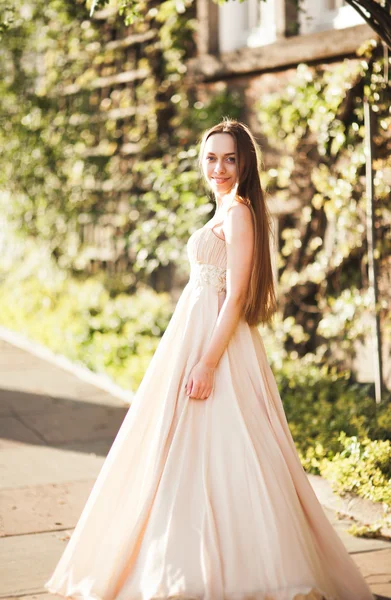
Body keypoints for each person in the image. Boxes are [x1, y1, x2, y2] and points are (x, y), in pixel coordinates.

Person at [44, 119, 374, 600]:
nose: (218, 167)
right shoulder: (223, 209)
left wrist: (207, 362)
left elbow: (237, 296)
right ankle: (180, 555)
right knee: (182, 445)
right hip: (192, 337)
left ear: (245, 164)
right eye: (211, 157)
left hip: (216, 345)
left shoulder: (239, 212)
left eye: (229, 158)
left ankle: (246, 564)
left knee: (228, 443)